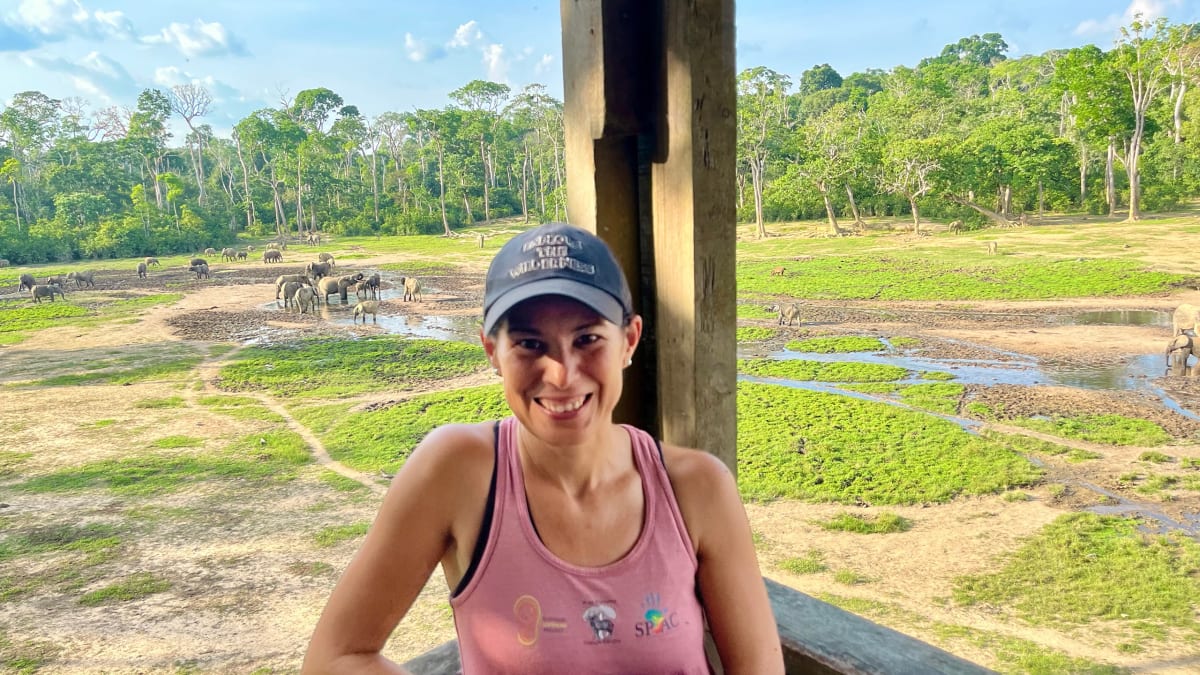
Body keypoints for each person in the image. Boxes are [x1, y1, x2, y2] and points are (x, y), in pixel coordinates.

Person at [302, 222, 783, 674]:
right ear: (492, 352)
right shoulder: (457, 472)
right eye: (530, 344)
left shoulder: (698, 488)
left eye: (587, 338)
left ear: (629, 341)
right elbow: (335, 658)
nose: (561, 374)